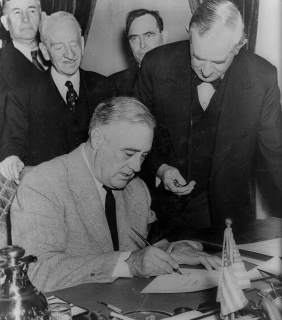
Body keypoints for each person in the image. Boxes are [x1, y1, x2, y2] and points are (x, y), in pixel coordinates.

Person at [11, 96, 221, 292]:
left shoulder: (136, 190)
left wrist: (173, 251)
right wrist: (128, 264)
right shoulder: (43, 183)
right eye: (129, 153)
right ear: (97, 139)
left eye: (143, 155)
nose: (137, 167)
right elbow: (36, 272)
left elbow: (141, 252)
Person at [136, 0, 282, 240]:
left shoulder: (261, 78)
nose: (205, 71)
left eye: (218, 62)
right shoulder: (155, 65)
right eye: (198, 57)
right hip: (164, 216)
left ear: (239, 46)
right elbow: (132, 137)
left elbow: (277, 153)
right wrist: (160, 169)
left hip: (230, 220)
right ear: (189, 35)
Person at [0, 11, 115, 184]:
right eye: (59, 47)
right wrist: (11, 157)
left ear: (82, 44)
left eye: (74, 44)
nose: (69, 55)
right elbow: (13, 141)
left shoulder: (105, 87)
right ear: (45, 52)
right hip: (49, 190)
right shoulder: (22, 93)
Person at [0, 0, 49, 136]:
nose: (25, 18)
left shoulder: (59, 57)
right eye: (17, 12)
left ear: (42, 16)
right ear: (5, 22)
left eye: (32, 11)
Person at [108, 9, 168, 96]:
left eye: (148, 35)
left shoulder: (185, 76)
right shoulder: (113, 84)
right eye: (134, 38)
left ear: (164, 37)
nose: (142, 45)